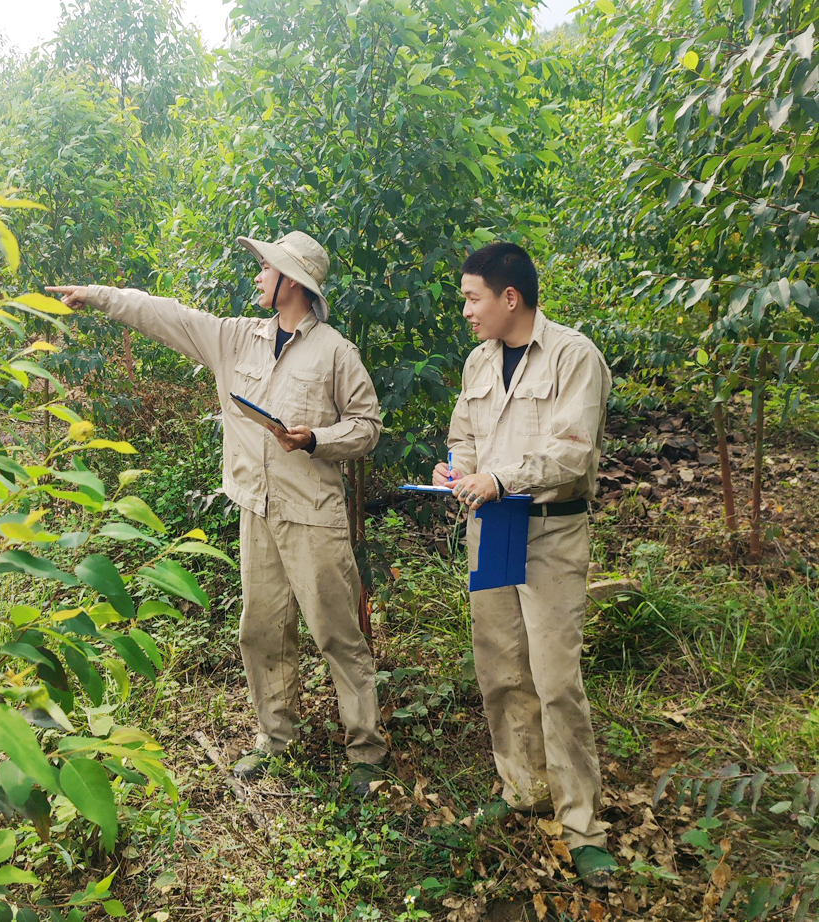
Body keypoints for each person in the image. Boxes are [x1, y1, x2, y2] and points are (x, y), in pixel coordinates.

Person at [46, 230, 388, 795]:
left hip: (313, 516)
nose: (256, 276)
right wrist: (97, 294)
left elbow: (368, 428)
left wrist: (315, 440)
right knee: (261, 631)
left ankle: (366, 750)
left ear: (293, 282)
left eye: (266, 268)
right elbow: (162, 313)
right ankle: (276, 740)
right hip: (256, 509)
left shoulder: (335, 352)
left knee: (336, 633)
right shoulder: (235, 339)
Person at [431, 242, 617, 886]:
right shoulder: (478, 361)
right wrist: (455, 470)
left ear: (510, 297)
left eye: (472, 297)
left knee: (556, 680)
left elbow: (571, 454)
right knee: (501, 667)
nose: (465, 310)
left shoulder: (574, 357)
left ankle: (582, 823)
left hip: (551, 535)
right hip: (494, 531)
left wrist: (498, 476)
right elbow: (464, 433)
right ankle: (521, 787)